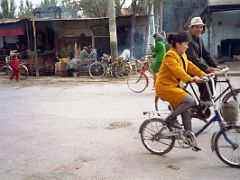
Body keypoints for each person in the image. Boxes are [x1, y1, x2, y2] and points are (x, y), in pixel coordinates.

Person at [155, 31, 206, 134]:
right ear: (178, 44)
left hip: (174, 87)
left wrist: (204, 74)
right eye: (185, 44)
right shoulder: (170, 55)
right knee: (190, 100)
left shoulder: (182, 55)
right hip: (165, 88)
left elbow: (190, 66)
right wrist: (190, 79)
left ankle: (189, 137)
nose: (187, 47)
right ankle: (170, 119)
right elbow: (178, 71)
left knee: (186, 111)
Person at [186, 17, 219, 102]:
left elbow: (205, 53)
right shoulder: (188, 38)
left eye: (201, 27)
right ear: (191, 28)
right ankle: (205, 102)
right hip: (188, 67)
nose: (199, 29)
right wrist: (207, 68)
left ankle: (203, 103)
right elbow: (193, 58)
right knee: (207, 77)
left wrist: (215, 66)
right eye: (197, 27)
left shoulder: (199, 38)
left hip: (196, 65)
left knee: (212, 76)